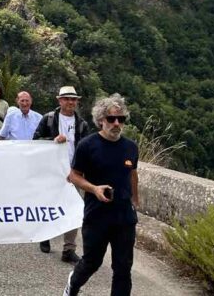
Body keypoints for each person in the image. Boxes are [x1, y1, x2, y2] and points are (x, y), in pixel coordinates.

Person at [63, 94, 139, 296]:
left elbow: (133, 174)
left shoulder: (131, 147)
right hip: (97, 216)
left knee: (123, 269)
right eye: (111, 119)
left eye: (121, 119)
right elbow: (74, 176)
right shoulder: (87, 146)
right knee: (92, 262)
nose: (116, 123)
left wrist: (135, 201)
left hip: (124, 218)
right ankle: (73, 284)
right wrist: (94, 189)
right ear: (100, 120)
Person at [34, 85, 90, 263]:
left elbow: (86, 149)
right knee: (49, 204)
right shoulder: (48, 119)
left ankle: (69, 248)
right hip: (52, 170)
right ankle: (45, 235)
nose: (70, 102)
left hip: (74, 171)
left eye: (73, 99)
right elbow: (35, 141)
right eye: (67, 99)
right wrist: (53, 140)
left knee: (73, 208)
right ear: (59, 100)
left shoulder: (82, 124)